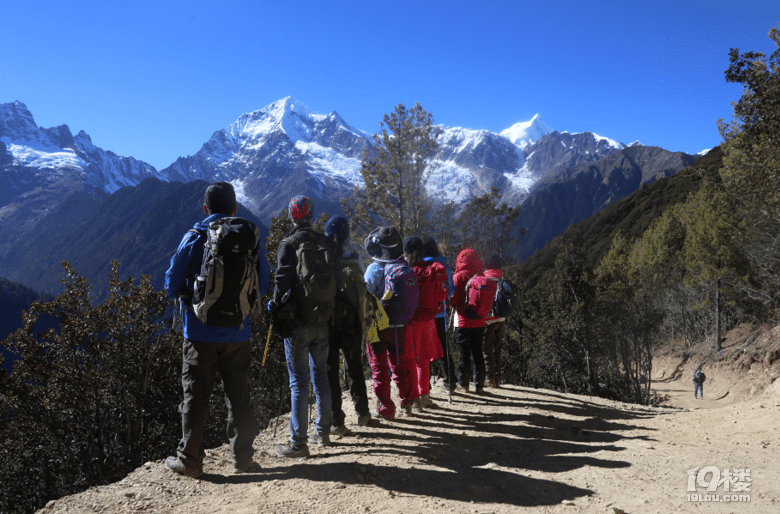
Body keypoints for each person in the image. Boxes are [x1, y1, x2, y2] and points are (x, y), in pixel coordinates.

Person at [164, 181, 271, 478]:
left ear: (205, 208)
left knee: (196, 397)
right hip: (239, 333)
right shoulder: (249, 238)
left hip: (199, 334)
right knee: (238, 396)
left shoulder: (195, 236)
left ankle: (190, 460)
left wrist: (190, 295)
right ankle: (243, 459)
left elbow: (171, 284)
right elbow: (263, 284)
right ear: (235, 209)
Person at [268, 196, 334, 457]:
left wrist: (275, 306)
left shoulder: (288, 244)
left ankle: (298, 443)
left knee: (299, 382)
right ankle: (324, 432)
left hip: (298, 322)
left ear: (291, 216)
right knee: (322, 377)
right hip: (324, 319)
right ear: (311, 215)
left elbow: (282, 281)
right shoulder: (325, 242)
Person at [363, 226, 418, 420]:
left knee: (379, 368)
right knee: (401, 365)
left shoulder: (374, 269)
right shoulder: (403, 266)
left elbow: (365, 294)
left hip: (376, 327)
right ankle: (407, 403)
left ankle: (386, 409)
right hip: (400, 326)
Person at [325, 216, 372, 435]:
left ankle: (337, 422)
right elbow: (362, 293)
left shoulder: (324, 259)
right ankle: (363, 412)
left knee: (331, 372)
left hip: (329, 323)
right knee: (354, 368)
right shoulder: (354, 259)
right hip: (352, 323)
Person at [405, 236, 445, 410]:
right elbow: (442, 295)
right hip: (430, 321)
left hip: (412, 322)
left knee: (411, 361)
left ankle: (415, 400)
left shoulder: (407, 272)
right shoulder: (433, 270)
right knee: (423, 361)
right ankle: (425, 395)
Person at [450, 248, 487, 394]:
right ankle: (479, 385)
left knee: (464, 353)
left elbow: (453, 299)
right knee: (478, 352)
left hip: (463, 321)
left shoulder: (458, 276)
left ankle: (464, 384)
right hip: (479, 321)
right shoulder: (481, 275)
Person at [422, 236, 455, 394]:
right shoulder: (443, 265)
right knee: (443, 348)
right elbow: (451, 291)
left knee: (422, 349)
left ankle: (424, 385)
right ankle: (450, 382)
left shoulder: (419, 266)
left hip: (423, 314)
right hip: (440, 313)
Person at [482, 255, 506, 388]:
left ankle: (489, 378)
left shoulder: (485, 279)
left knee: (487, 349)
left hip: (488, 320)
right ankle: (497, 377)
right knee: (497, 349)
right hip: (501, 319)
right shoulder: (502, 279)